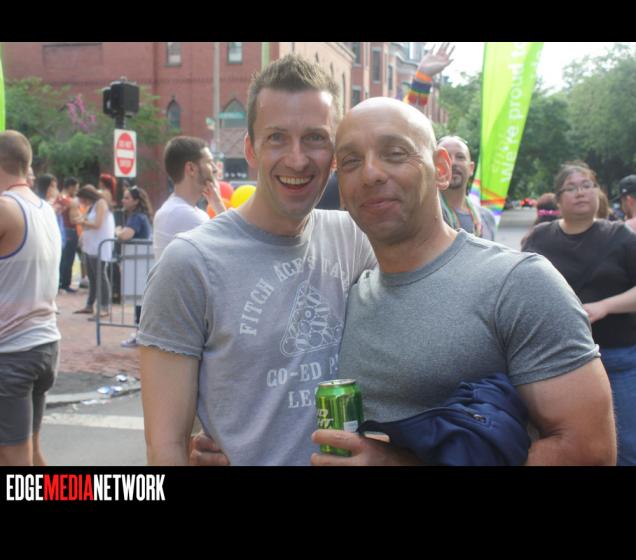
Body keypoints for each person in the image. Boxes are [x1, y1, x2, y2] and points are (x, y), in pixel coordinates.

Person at [310, 98, 615, 466]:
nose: (370, 173)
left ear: (441, 169)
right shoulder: (350, 295)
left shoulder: (520, 283)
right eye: (351, 161)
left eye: (395, 153)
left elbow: (590, 451)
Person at [138, 54, 376, 466]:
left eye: (315, 138)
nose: (297, 159)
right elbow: (165, 445)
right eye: (277, 138)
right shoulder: (190, 263)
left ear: (335, 152)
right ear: (250, 148)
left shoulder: (355, 238)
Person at [522, 161, 636, 465]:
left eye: (587, 185)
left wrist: (605, 306)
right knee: (567, 441)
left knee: (626, 443)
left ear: (598, 192)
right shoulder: (540, 238)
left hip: (618, 358)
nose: (580, 192)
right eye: (571, 188)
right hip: (556, 360)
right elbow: (520, 289)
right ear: (558, 199)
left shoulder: (621, 237)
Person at [0, 131, 61, 466]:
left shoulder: (6, 208)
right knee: (33, 452)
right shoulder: (44, 209)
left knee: (14, 459)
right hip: (44, 346)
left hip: (12, 353)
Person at [405, 43, 496, 239]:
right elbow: (409, 128)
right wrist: (422, 78)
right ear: (433, 164)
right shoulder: (422, 209)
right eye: (445, 156)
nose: (452, 162)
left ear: (471, 168)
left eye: (460, 157)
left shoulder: (486, 218)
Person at [152, 136, 225, 261]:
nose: (215, 168)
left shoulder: (175, 209)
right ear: (191, 169)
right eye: (209, 162)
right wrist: (219, 205)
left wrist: (217, 204)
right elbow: (232, 250)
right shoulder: (184, 214)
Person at [115, 185, 154, 348]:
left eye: (127, 198)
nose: (123, 200)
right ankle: (141, 333)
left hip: (139, 264)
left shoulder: (136, 217)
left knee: (140, 300)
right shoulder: (141, 216)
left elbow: (126, 235)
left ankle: (140, 334)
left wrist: (117, 232)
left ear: (136, 201)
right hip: (142, 263)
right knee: (141, 299)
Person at [73, 185, 115, 319]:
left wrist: (82, 222)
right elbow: (87, 221)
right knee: (92, 277)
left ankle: (104, 306)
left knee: (100, 276)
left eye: (82, 199)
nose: (82, 203)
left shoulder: (101, 203)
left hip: (99, 246)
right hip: (90, 246)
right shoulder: (92, 206)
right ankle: (90, 304)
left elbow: (98, 224)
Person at [57, 176, 82, 293]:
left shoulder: (60, 198)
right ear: (71, 187)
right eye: (76, 188)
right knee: (68, 258)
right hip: (69, 230)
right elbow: (74, 218)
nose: (77, 191)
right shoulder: (69, 200)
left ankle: (62, 282)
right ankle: (64, 283)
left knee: (64, 258)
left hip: (63, 230)